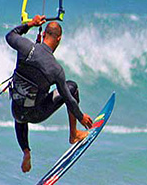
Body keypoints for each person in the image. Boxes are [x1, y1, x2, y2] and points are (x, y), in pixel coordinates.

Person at [6, 15, 93, 173]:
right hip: (37, 114)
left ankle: (26, 151)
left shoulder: (25, 47)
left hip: (16, 111)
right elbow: (69, 98)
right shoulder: (55, 69)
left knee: (23, 99)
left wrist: (31, 24)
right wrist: (81, 117)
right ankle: (73, 134)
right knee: (72, 87)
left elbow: (10, 35)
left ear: (43, 34)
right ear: (58, 39)